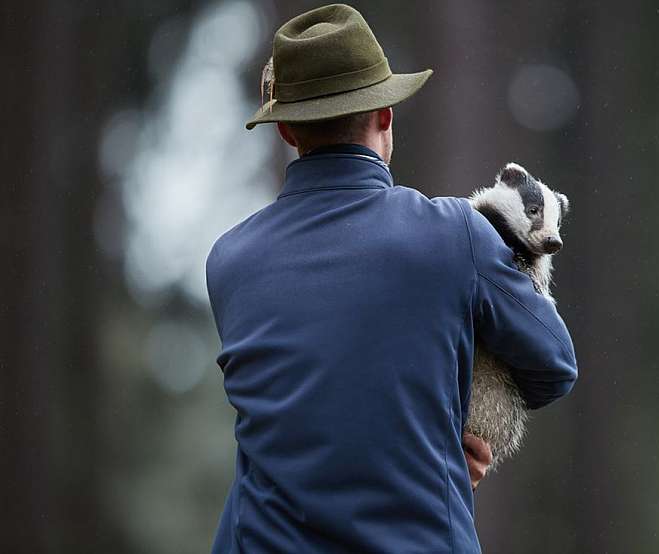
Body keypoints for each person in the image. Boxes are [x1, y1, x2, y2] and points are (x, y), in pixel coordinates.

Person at [205, 4, 578, 553]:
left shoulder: (229, 261)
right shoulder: (455, 233)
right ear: (385, 115)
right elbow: (553, 364)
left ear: (285, 128)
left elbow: (314, 401)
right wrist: (447, 434)